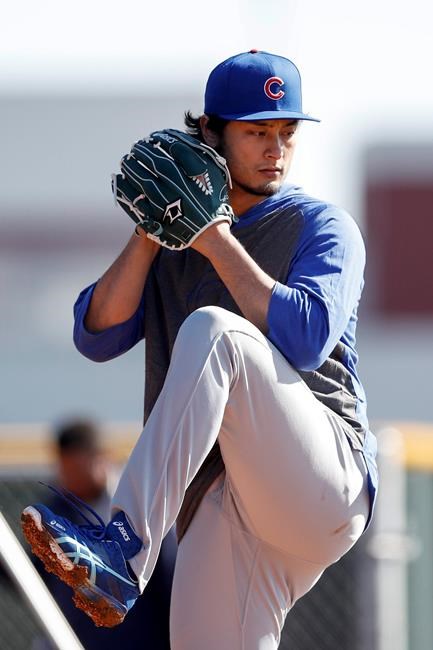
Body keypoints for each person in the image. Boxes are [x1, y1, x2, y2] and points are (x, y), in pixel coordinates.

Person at [22, 50, 378, 649]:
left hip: (318, 478)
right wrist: (148, 231)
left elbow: (307, 337)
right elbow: (97, 334)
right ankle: (126, 551)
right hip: (221, 509)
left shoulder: (322, 225)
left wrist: (213, 240)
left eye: (286, 132)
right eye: (256, 131)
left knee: (217, 332)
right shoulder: (174, 244)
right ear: (210, 132)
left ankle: (123, 548)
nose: (275, 149)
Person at [31, 418, 176, 650]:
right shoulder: (57, 511)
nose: (71, 478)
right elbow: (34, 571)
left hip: (140, 638)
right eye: (66, 469)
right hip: (78, 638)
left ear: (101, 458)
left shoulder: (139, 508)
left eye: (78, 468)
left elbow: (169, 578)